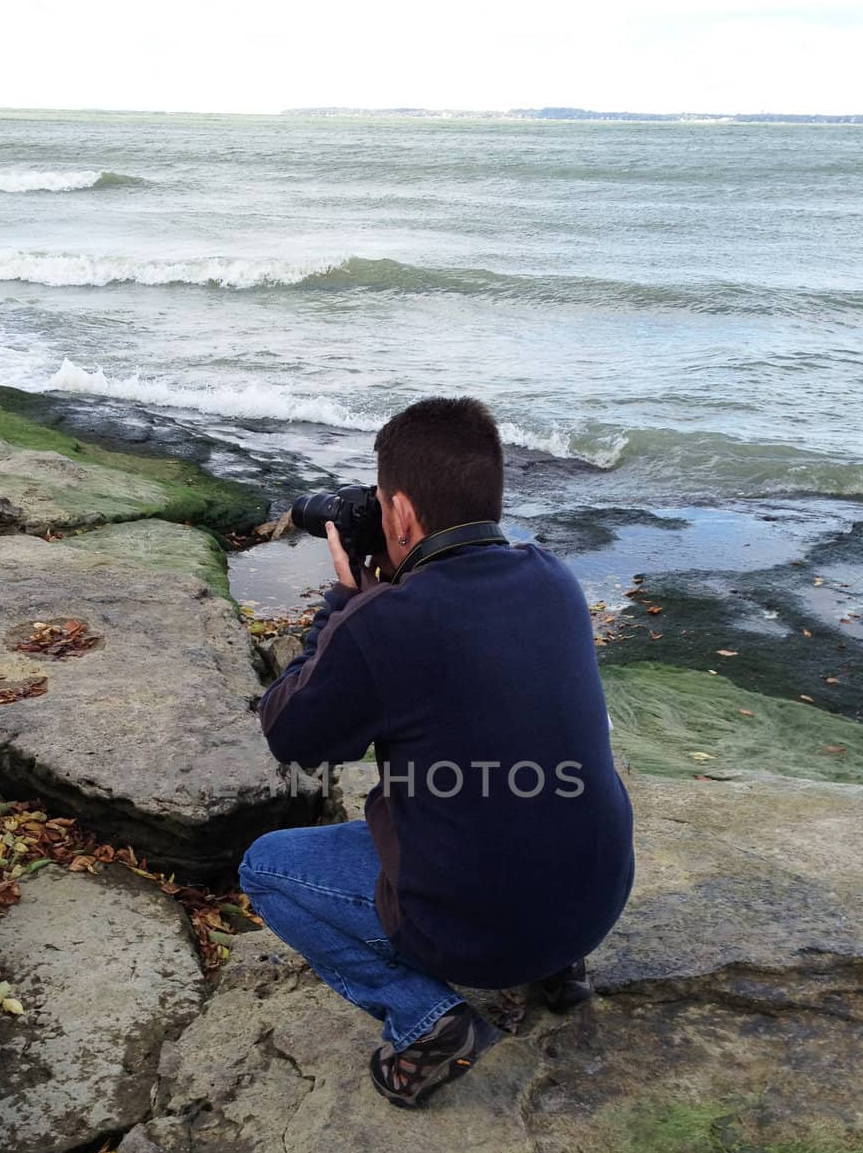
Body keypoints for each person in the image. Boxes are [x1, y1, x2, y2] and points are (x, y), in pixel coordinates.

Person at [239, 397, 634, 1110]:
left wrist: (342, 601)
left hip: (476, 934)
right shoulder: (554, 579)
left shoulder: (382, 624)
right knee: (519, 785)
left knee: (263, 866)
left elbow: (288, 733)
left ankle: (427, 1020)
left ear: (399, 518)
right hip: (598, 902)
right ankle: (559, 969)